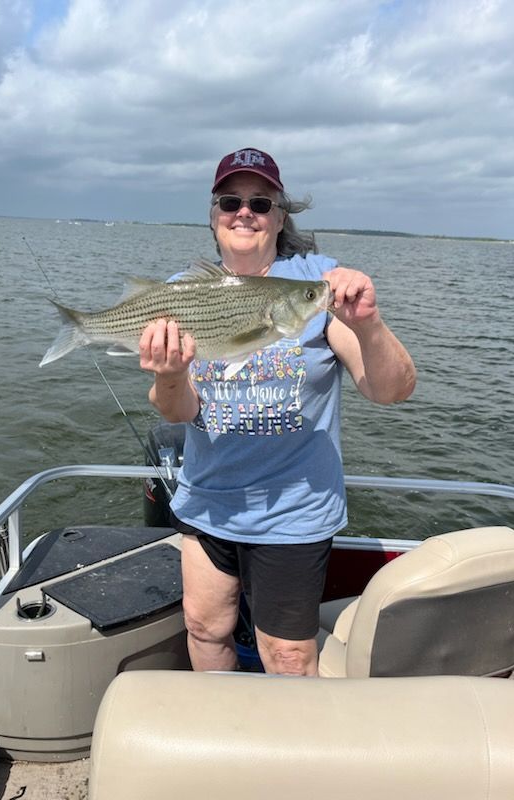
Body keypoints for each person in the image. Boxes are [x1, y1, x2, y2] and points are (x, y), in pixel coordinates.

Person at [139, 147, 416, 676]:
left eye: (260, 202)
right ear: (214, 213)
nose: (245, 212)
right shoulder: (184, 292)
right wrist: (169, 374)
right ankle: (225, 738)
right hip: (208, 501)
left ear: (280, 216)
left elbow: (392, 391)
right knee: (204, 627)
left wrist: (369, 324)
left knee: (287, 656)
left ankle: (294, 757)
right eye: (230, 200)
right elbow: (177, 414)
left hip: (295, 511)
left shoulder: (317, 284)